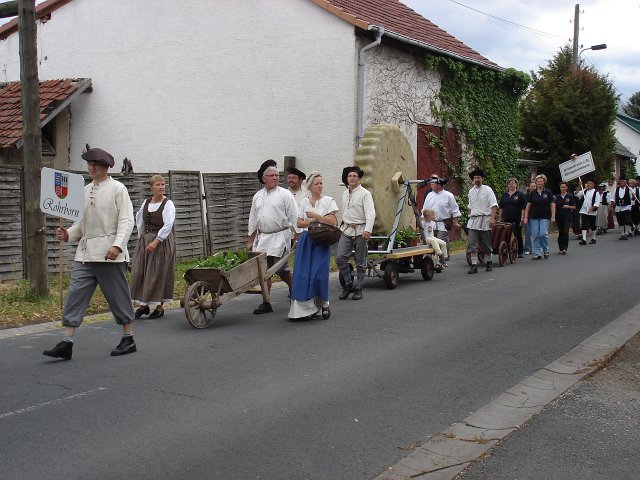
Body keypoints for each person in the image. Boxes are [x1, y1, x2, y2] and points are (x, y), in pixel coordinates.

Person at [43, 147, 136, 360]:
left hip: (108, 254)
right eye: (89, 164)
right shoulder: (83, 191)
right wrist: (67, 234)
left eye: (96, 164)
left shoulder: (118, 188)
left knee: (118, 296)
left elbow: (126, 221)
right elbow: (81, 224)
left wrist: (117, 246)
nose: (91, 167)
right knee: (75, 295)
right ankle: (67, 342)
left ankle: (128, 338)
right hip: (84, 254)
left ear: (105, 167)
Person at [247, 161, 298, 314]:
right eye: (272, 175)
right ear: (264, 179)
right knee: (264, 271)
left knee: (282, 270)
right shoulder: (257, 196)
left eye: (277, 175)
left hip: (280, 237)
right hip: (263, 239)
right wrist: (250, 239)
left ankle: (296, 293)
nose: (275, 178)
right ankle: (266, 302)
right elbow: (253, 219)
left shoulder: (285, 194)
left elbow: (295, 216)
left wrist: (298, 237)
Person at [288, 172, 338, 321]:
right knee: (303, 275)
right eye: (317, 183)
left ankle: (324, 303)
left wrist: (315, 217)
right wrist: (311, 222)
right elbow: (298, 223)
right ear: (309, 186)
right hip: (306, 239)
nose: (320, 186)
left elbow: (332, 221)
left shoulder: (329, 201)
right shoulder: (304, 202)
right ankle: (306, 310)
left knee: (318, 274)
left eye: (321, 183)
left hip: (321, 240)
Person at [129, 174, 176, 319]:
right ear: (151, 187)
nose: (161, 187)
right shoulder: (146, 203)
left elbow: (168, 225)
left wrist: (156, 241)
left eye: (163, 184)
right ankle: (144, 305)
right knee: (140, 271)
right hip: (146, 240)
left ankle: (159, 307)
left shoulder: (168, 204)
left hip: (162, 241)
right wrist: (141, 239)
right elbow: (140, 221)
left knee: (158, 273)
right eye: (158, 185)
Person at [336, 166, 375, 300]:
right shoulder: (344, 193)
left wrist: (367, 230)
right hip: (346, 230)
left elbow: (370, 213)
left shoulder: (365, 193)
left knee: (360, 260)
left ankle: (359, 288)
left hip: (361, 230)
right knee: (340, 257)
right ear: (346, 178)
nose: (352, 178)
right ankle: (348, 284)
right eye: (349, 176)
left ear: (359, 178)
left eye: (354, 176)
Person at [421, 176, 461, 264]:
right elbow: (424, 209)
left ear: (439, 185)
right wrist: (422, 221)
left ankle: (440, 263)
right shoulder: (429, 195)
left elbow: (455, 210)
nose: (431, 185)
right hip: (430, 224)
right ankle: (429, 262)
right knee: (430, 243)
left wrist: (456, 222)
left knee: (439, 240)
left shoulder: (448, 196)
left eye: (433, 184)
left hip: (443, 223)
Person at [466, 168, 498, 273]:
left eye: (479, 177)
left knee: (486, 243)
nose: (477, 179)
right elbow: (470, 206)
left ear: (482, 178)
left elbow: (494, 205)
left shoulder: (487, 190)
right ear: (473, 179)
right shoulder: (471, 191)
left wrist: (492, 219)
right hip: (473, 220)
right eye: (475, 178)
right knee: (472, 243)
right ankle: (474, 265)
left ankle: (489, 261)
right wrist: (469, 214)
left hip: (485, 219)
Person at [523, 174, 556, 260]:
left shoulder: (548, 192)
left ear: (544, 182)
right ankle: (538, 253)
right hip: (533, 217)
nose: (539, 183)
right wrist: (526, 217)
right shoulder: (532, 193)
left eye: (541, 181)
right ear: (536, 183)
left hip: (545, 217)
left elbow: (552, 204)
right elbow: (528, 205)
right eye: (538, 181)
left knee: (543, 234)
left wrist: (553, 216)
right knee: (535, 235)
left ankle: (546, 250)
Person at [498, 178, 527, 258]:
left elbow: (523, 207)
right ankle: (506, 250)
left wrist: (522, 217)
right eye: (509, 183)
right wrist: (499, 218)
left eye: (513, 183)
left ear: (516, 185)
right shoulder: (505, 195)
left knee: (517, 234)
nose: (511, 185)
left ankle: (520, 251)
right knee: (505, 235)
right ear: (507, 185)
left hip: (516, 218)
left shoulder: (520, 195)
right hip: (506, 218)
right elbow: (501, 207)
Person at [609, 176, 637, 240]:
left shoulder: (629, 189)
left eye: (623, 181)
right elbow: (613, 199)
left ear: (625, 182)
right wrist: (611, 207)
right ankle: (622, 234)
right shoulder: (616, 189)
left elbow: (633, 199)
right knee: (620, 221)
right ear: (619, 182)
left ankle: (626, 233)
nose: (622, 182)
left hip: (627, 207)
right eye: (621, 181)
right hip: (618, 207)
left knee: (627, 219)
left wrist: (633, 196)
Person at [575, 178, 600, 245]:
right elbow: (577, 194)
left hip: (592, 212)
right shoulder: (585, 191)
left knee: (592, 225)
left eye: (590, 183)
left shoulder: (596, 193)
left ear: (593, 185)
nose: (588, 185)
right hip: (584, 211)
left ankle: (593, 238)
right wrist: (579, 186)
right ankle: (584, 239)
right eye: (588, 183)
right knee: (584, 224)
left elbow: (597, 203)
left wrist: (591, 209)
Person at [554, 181, 576, 255]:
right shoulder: (556, 197)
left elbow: (574, 207)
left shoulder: (570, 196)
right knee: (561, 232)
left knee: (565, 231)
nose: (563, 188)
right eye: (561, 187)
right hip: (559, 217)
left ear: (566, 187)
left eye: (564, 187)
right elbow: (554, 207)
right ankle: (560, 248)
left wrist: (568, 206)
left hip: (567, 216)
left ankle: (565, 249)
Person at [523, 180, 536, 254]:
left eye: (534, 186)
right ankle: (528, 249)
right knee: (528, 233)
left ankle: (538, 247)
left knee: (536, 233)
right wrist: (524, 216)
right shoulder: (525, 196)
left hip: (536, 216)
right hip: (527, 216)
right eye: (532, 186)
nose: (533, 188)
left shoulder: (538, 195)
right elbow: (523, 207)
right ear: (528, 187)